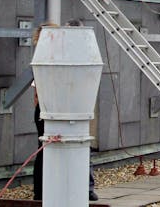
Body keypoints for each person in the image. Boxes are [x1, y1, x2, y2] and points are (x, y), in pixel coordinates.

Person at [32, 21, 99, 202]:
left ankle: (45, 191)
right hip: (53, 108)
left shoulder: (45, 56)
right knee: (50, 150)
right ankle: (46, 191)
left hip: (49, 108)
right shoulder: (52, 57)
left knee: (47, 151)